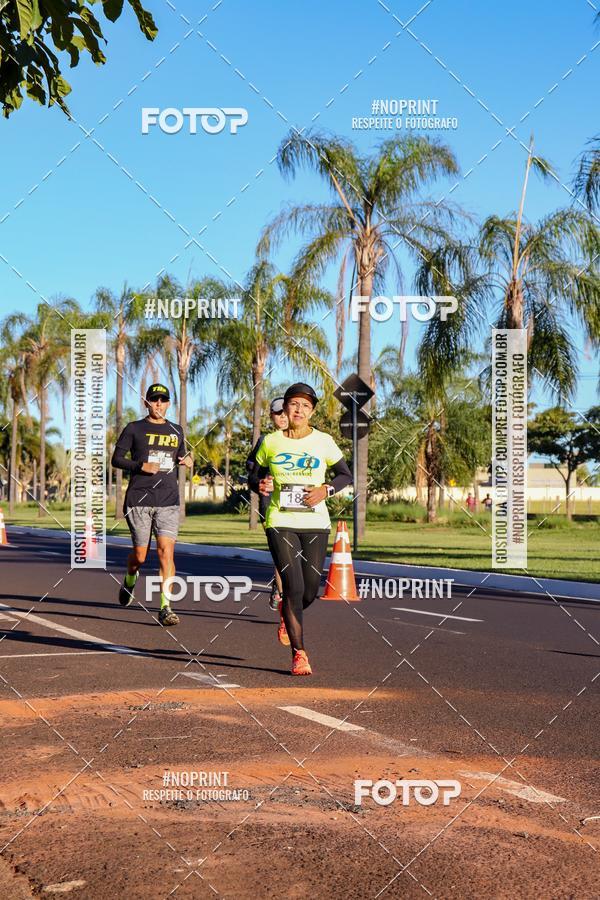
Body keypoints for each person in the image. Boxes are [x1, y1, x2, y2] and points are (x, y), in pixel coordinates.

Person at [254, 383, 352, 676]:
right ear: (285, 407)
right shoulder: (271, 442)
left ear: (312, 411)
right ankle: (300, 654)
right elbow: (255, 474)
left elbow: (345, 475)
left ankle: (287, 613)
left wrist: (326, 490)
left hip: (316, 522)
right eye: (294, 404)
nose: (299, 410)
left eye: (306, 406)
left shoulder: (323, 441)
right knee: (293, 586)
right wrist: (261, 484)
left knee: (309, 590)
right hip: (280, 520)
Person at [111, 383, 193, 626]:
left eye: (163, 400)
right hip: (139, 499)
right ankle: (130, 577)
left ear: (168, 403)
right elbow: (116, 459)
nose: (159, 404)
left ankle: (165, 607)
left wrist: (187, 460)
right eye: (154, 400)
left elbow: (180, 457)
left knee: (166, 552)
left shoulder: (176, 430)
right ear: (146, 403)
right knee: (140, 555)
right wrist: (140, 466)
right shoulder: (134, 428)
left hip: (168, 500)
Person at [246, 397, 289, 610]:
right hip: (271, 503)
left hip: (300, 505)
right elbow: (251, 471)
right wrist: (261, 481)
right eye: (277, 413)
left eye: (285, 412)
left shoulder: (306, 439)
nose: (282, 417)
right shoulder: (266, 441)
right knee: (281, 552)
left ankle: (280, 588)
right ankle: (283, 597)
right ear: (271, 416)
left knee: (297, 557)